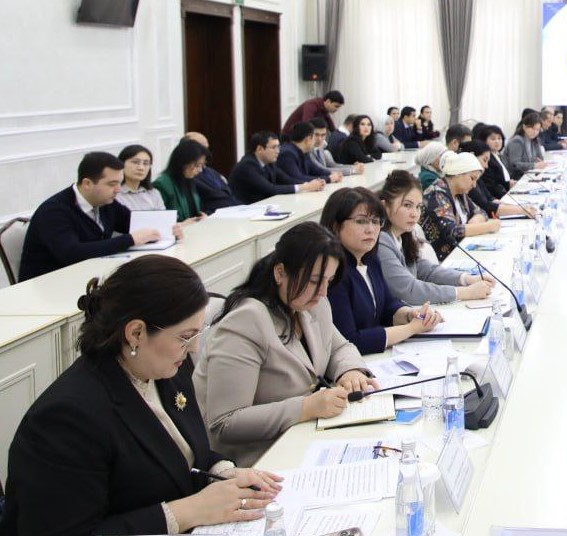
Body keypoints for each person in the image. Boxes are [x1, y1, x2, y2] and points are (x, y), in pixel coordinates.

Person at [0, 256, 282, 535]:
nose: (195, 348)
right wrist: (188, 511)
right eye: (185, 336)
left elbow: (184, 454)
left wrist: (223, 473)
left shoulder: (165, 368)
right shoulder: (66, 418)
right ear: (136, 333)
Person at [194, 222, 377, 466]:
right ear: (280, 273)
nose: (323, 292)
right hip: (256, 457)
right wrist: (306, 408)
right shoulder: (247, 320)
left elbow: (338, 347)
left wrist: (350, 370)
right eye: (314, 280)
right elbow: (225, 423)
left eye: (329, 281)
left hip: (300, 438)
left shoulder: (313, 304)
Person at [320, 188, 445, 354]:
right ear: (336, 226)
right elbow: (350, 340)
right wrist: (412, 328)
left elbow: (388, 305)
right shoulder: (332, 273)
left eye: (376, 221)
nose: (371, 229)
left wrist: (410, 314)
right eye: (361, 221)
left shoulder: (370, 259)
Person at [20, 153, 171, 280]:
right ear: (87, 183)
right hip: (50, 285)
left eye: (119, 183)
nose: (118, 190)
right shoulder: (54, 211)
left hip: (89, 277)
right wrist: (130, 239)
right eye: (112, 184)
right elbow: (72, 253)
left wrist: (168, 228)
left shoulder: (106, 202)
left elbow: (133, 222)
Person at [376, 170, 496, 304]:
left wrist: (466, 279)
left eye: (418, 207)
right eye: (407, 205)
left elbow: (427, 271)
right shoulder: (382, 241)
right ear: (385, 206)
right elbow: (409, 290)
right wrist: (465, 292)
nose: (414, 214)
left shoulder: (404, 235)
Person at [422, 152, 502, 260]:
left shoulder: (460, 193)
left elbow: (481, 212)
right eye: (472, 178)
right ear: (458, 173)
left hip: (459, 253)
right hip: (443, 260)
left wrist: (475, 221)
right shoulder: (437, 194)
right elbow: (452, 231)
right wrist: (488, 226)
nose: (474, 185)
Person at [230, 132, 325, 205]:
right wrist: (305, 187)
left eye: (278, 147)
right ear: (259, 149)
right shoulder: (247, 166)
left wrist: (313, 183)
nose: (278, 151)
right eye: (274, 147)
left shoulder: (269, 162)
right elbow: (271, 189)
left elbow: (287, 180)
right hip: (245, 210)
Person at [460, 140, 535, 219]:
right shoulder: (468, 181)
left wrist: (521, 207)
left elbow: (491, 199)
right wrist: (521, 210)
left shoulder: (478, 179)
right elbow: (486, 206)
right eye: (484, 160)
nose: (486, 166)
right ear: (472, 157)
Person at [183, 133, 241, 214]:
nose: (206, 152)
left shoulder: (210, 171)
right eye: (202, 148)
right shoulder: (189, 176)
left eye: (207, 148)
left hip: (235, 209)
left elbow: (228, 194)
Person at [153, 139, 210, 222]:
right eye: (197, 165)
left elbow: (196, 211)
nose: (200, 170)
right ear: (183, 162)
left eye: (202, 165)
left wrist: (202, 217)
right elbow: (161, 220)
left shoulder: (190, 180)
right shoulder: (162, 184)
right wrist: (183, 224)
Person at [115, 144, 165, 211]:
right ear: (121, 163)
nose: (141, 168)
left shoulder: (154, 193)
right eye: (135, 162)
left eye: (146, 163)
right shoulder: (114, 195)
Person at [503, 112, 549, 182]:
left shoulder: (534, 140)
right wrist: (534, 165)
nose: (535, 132)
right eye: (533, 128)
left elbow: (540, 159)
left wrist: (538, 163)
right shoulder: (517, 141)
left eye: (537, 130)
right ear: (524, 127)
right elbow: (515, 164)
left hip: (528, 176)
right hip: (516, 179)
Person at [476, 124, 513, 198]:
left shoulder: (497, 155)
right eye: (493, 139)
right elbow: (491, 185)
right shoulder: (486, 159)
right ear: (484, 141)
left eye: (499, 138)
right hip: (497, 197)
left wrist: (509, 183)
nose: (497, 141)